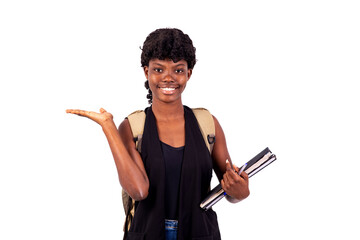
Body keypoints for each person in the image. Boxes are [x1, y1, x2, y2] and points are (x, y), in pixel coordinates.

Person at [66, 28, 250, 240]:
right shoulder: (133, 127)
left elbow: (231, 191)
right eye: (159, 69)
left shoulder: (207, 124)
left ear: (189, 73)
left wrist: (240, 190)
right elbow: (139, 190)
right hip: (147, 234)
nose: (168, 78)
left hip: (199, 233)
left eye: (178, 70)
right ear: (147, 72)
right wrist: (108, 127)